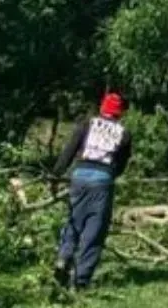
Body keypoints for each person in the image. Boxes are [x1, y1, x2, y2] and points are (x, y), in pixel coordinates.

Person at [53, 92, 132, 291]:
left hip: (79, 177)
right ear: (119, 113)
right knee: (94, 230)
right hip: (102, 181)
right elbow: (121, 164)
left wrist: (55, 176)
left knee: (73, 221)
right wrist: (111, 176)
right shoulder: (124, 133)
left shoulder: (86, 124)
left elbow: (68, 152)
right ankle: (80, 280)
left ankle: (63, 258)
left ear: (102, 108)